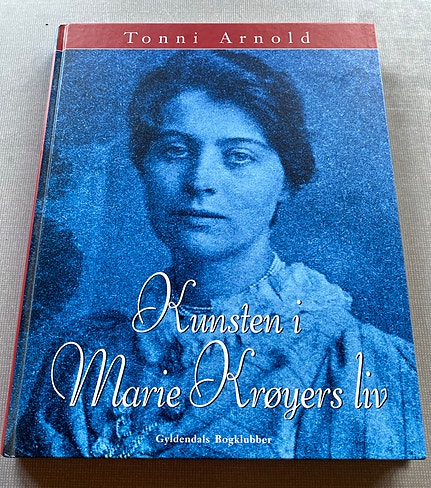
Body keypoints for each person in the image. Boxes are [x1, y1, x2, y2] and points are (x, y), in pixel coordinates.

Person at [15, 51, 425, 459]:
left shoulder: (351, 361)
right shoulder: (85, 356)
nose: (199, 181)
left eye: (238, 156)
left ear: (287, 180)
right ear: (144, 166)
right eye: (175, 150)